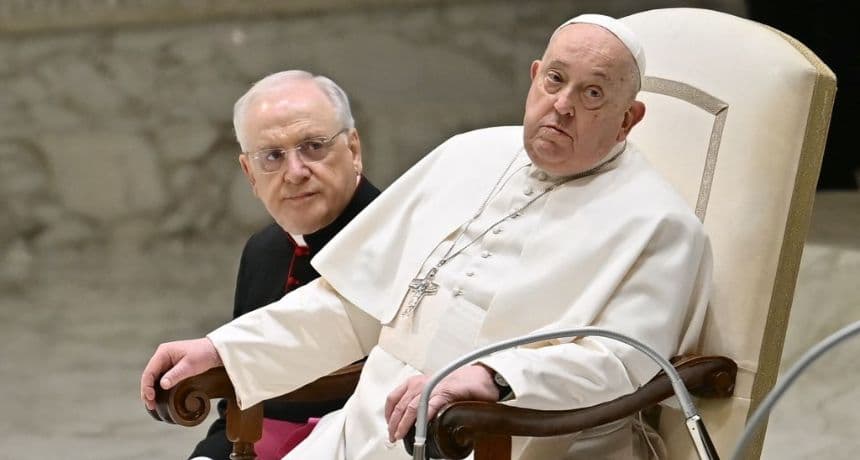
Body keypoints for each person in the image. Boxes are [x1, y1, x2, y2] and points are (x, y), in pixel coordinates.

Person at [143, 14, 711, 460]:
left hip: (510, 439)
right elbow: (353, 306)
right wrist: (223, 348)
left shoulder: (658, 226)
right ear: (535, 76)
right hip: (364, 430)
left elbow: (623, 362)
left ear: (629, 118)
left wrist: (495, 379)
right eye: (557, 80)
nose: (561, 107)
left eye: (592, 95)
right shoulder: (466, 154)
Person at [188, 71, 381, 460]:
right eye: (272, 157)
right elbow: (237, 408)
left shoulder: (401, 239)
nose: (295, 172)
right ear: (249, 174)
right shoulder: (263, 251)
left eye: (313, 146)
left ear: (354, 149)